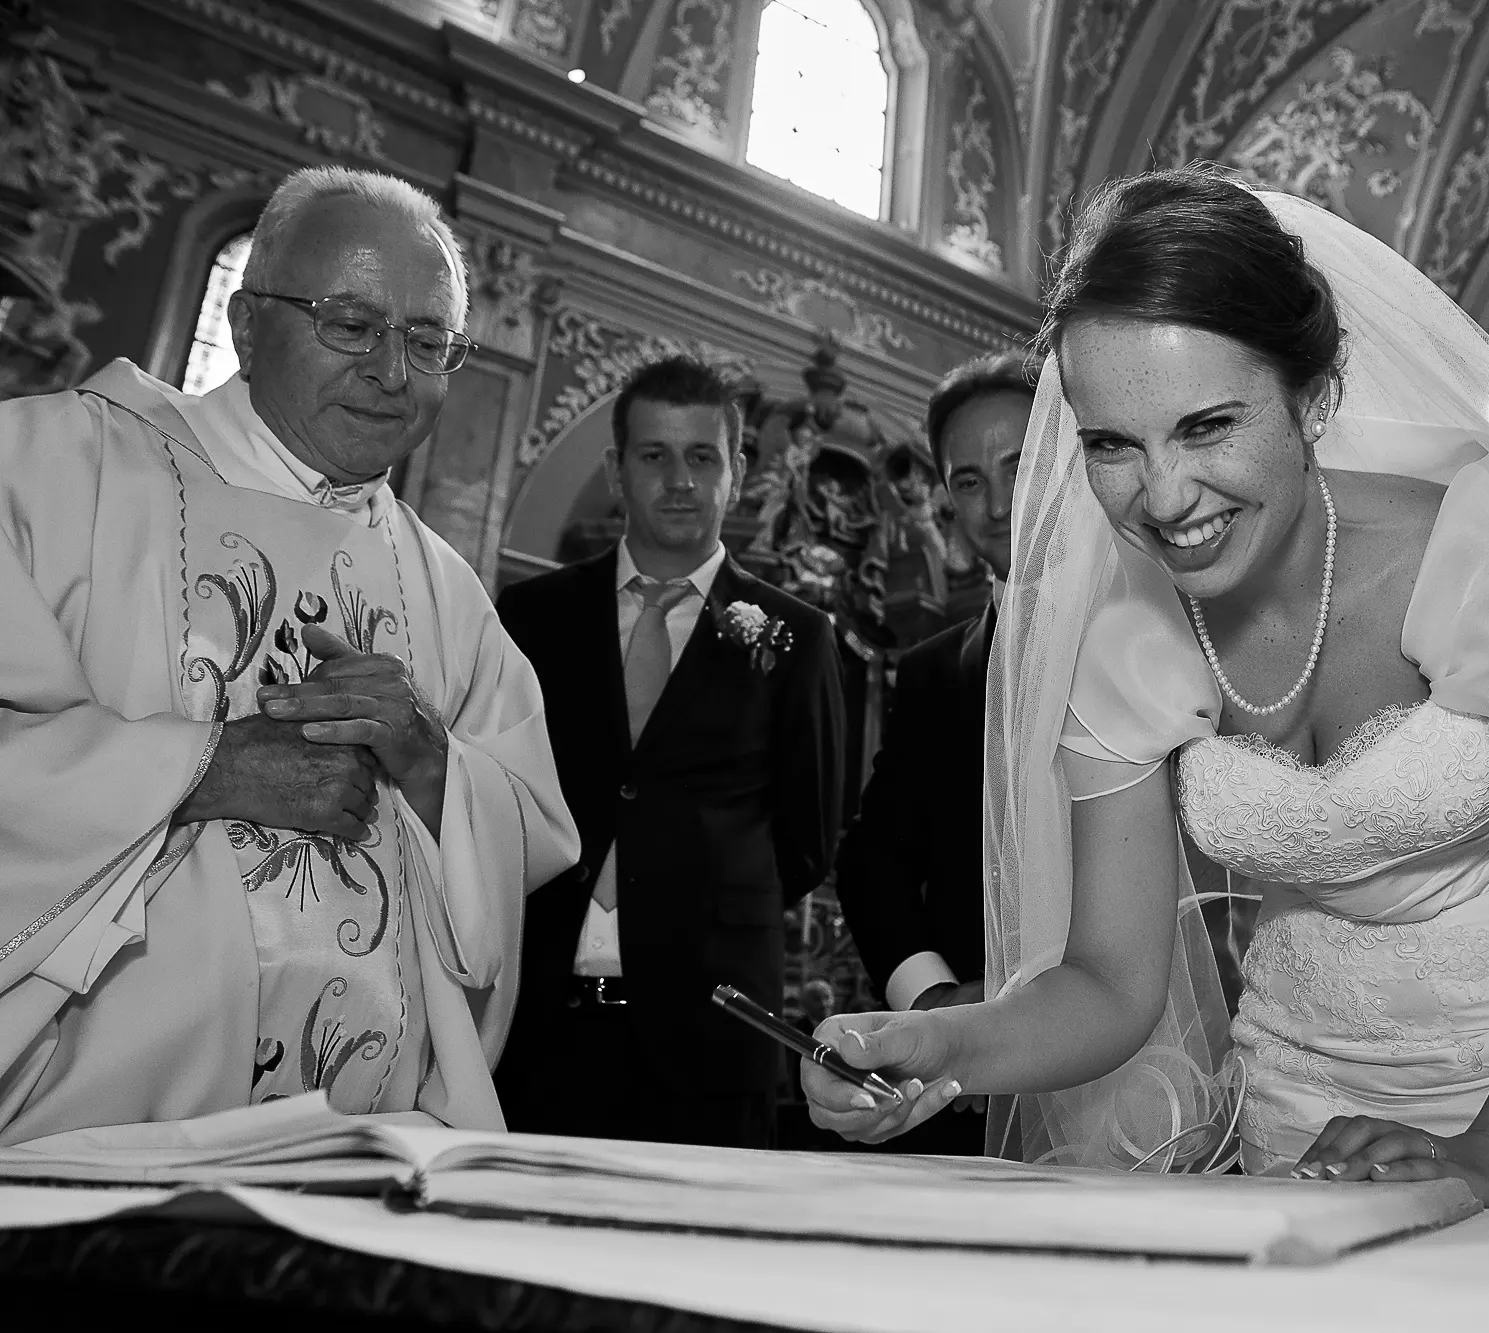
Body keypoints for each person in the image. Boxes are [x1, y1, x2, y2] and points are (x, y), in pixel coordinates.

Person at [800, 167, 1489, 1208]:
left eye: (1206, 426)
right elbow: (1106, 979)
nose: (1162, 493)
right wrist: (940, 1047)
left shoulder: (1473, 550)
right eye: (1111, 445)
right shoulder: (1123, 631)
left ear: (1314, 399)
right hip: (1308, 1092)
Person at [0, 165, 579, 1142]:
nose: (391, 372)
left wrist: (434, 764)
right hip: (78, 1150)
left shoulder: (449, 594)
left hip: (359, 1155)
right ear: (248, 320)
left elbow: (528, 828)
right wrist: (196, 769)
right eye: (351, 325)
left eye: (428, 341)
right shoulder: (53, 471)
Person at [495, 354, 845, 1149]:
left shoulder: (797, 635)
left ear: (738, 470)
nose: (679, 480)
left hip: (711, 1030)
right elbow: (497, 796)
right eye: (654, 456)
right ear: (617, 470)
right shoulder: (533, 614)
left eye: (702, 457)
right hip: (537, 1016)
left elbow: (807, 839)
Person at [833, 352, 1034, 1153]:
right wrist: (933, 1000)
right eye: (968, 481)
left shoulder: (1170, 636)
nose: (997, 503)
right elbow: (871, 857)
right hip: (962, 1091)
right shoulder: (929, 672)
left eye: (1020, 465)